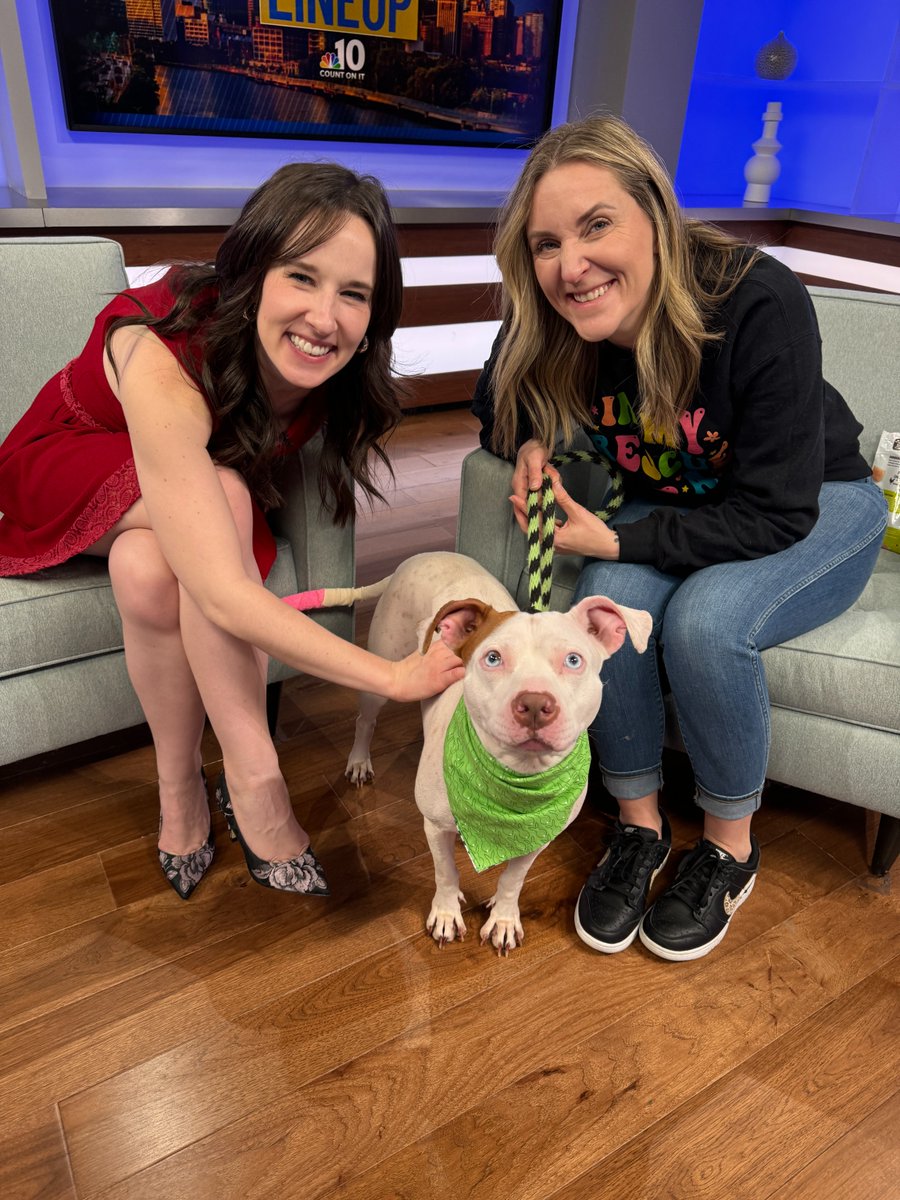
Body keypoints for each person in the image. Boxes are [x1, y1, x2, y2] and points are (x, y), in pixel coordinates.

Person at [472, 115, 886, 962]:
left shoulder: (758, 299)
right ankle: (638, 826)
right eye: (546, 244)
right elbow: (497, 395)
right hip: (689, 505)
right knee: (607, 611)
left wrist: (618, 542)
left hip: (817, 500)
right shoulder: (560, 319)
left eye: (596, 226)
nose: (570, 266)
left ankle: (731, 847)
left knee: (702, 621)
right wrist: (529, 441)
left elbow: (775, 512)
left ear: (654, 216)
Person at [0, 162, 464, 899]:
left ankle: (179, 788)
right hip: (63, 460)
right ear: (253, 272)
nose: (325, 317)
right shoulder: (162, 355)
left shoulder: (330, 368)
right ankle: (254, 780)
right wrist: (391, 677)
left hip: (181, 487)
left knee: (147, 569)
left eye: (354, 294)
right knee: (220, 493)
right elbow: (220, 591)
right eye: (302, 278)